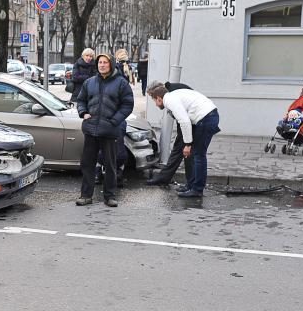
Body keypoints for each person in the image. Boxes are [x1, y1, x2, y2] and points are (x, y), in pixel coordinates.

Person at [75, 53, 134, 207]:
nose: (101, 65)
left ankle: (110, 196)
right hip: (90, 130)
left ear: (111, 64)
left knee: (110, 165)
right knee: (87, 165)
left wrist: (114, 121)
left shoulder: (121, 83)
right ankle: (86, 195)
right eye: (100, 62)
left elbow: (127, 105)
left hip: (109, 131)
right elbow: (81, 100)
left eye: (105, 63)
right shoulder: (89, 82)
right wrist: (83, 112)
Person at [147, 82, 220, 198]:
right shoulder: (174, 95)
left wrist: (187, 144)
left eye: (154, 101)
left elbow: (184, 121)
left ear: (159, 98)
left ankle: (197, 189)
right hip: (208, 116)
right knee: (195, 154)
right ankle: (191, 185)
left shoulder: (170, 100)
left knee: (199, 155)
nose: (155, 104)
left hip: (205, 119)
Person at [145, 82, 194, 190]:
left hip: (191, 121)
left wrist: (187, 142)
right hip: (189, 120)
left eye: (152, 97)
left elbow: (183, 118)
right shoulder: (170, 91)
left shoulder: (171, 94)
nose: (155, 103)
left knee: (186, 152)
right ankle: (166, 178)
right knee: (180, 150)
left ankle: (190, 184)